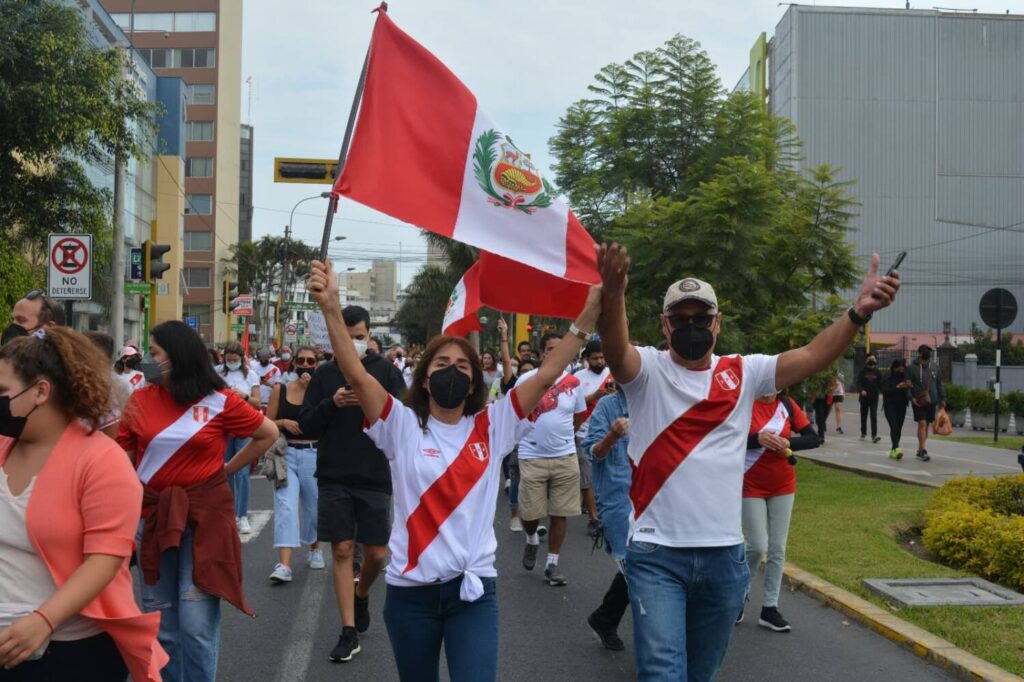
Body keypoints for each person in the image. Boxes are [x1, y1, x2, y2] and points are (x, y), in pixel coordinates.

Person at [595, 243, 900, 681]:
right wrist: (615, 291)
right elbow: (616, 346)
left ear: (717, 324)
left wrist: (858, 313)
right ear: (665, 326)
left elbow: (813, 355)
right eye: (681, 320)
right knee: (662, 673)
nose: (692, 327)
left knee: (701, 674)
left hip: (724, 558)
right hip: (657, 555)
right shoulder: (647, 371)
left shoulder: (744, 372)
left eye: (701, 319)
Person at [307, 258, 602, 682]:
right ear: (425, 379)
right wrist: (331, 306)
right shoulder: (400, 424)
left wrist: (588, 316)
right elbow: (354, 371)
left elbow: (551, 372)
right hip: (411, 596)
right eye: (441, 365)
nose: (452, 372)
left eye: (462, 367)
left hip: (475, 592)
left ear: (474, 381)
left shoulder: (495, 425)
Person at [0, 328, 167, 681]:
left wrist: (43, 621)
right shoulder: (4, 446)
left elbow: (106, 559)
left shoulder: (101, 460)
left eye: (3, 392)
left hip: (70, 651)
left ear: (41, 392)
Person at [117, 321, 278, 682]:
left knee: (195, 625)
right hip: (153, 519)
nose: (148, 361)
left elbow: (268, 432)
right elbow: (123, 459)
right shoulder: (139, 400)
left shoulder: (220, 401)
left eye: (155, 353)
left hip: (204, 521)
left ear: (177, 356)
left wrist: (226, 470)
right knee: (163, 626)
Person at [298, 305, 405, 663]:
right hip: (333, 475)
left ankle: (362, 593)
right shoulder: (326, 374)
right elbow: (307, 425)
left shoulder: (387, 371)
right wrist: (333, 403)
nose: (353, 343)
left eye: (358, 337)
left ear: (369, 335)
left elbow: (404, 418)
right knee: (342, 550)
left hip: (375, 474)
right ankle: (347, 631)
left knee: (376, 554)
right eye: (346, 337)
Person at [739, 391, 819, 632]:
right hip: (749, 484)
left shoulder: (787, 404)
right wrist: (757, 439)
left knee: (777, 548)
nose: (771, 387)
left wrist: (789, 443)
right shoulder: (744, 403)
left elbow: (813, 438)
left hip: (783, 485)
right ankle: (737, 597)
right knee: (757, 546)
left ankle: (769, 608)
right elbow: (724, 437)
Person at [516, 332, 589, 587]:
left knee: (560, 512)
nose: (556, 353)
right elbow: (514, 414)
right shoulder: (526, 380)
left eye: (561, 349)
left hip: (565, 456)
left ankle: (552, 564)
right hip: (531, 456)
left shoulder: (573, 383)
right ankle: (532, 539)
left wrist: (565, 437)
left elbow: (579, 416)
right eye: (550, 349)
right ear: (541, 354)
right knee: (530, 513)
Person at [266, 346, 324, 583]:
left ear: (316, 365)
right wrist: (282, 422)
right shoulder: (280, 389)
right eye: (301, 360)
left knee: (314, 507)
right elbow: (267, 422)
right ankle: (285, 565)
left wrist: (314, 390)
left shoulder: (321, 392)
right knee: (286, 507)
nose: (305, 364)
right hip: (286, 453)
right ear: (293, 363)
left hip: (314, 453)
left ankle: (315, 548)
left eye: (311, 360)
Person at [582, 385, 632, 652]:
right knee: (634, 566)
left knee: (644, 566)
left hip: (660, 499)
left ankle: (605, 617)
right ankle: (661, 650)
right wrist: (612, 437)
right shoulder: (608, 406)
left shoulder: (664, 402)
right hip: (621, 498)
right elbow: (594, 452)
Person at [218, 342, 262, 534]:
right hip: (223, 428)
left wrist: (243, 396)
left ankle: (242, 515)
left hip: (244, 427)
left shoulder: (251, 375)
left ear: (242, 359)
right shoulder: (217, 372)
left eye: (235, 360)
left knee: (242, 473)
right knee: (225, 471)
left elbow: (257, 402)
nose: (231, 363)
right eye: (229, 360)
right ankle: (227, 513)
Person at [572, 340, 613, 537]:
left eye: (602, 357)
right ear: (586, 359)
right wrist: (593, 396)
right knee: (587, 478)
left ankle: (608, 515)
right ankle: (594, 519)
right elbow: (573, 404)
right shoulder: (577, 378)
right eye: (595, 358)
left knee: (607, 476)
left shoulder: (613, 374)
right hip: (583, 435)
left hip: (609, 434)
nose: (600, 361)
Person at [906, 344, 944, 462]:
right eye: (927, 351)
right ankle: (923, 450)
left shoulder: (935, 367)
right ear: (920, 353)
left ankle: (920, 448)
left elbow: (939, 384)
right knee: (922, 423)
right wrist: (911, 398)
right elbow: (907, 385)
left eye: (930, 351)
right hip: (918, 400)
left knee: (926, 424)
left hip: (932, 400)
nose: (929, 353)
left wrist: (942, 398)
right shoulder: (912, 368)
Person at [882, 359, 913, 460]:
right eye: (901, 367)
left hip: (902, 405)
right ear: (895, 367)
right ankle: (897, 448)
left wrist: (909, 386)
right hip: (889, 405)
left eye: (904, 367)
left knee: (898, 428)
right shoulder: (887, 377)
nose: (903, 369)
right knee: (894, 426)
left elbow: (910, 389)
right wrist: (898, 387)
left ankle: (893, 449)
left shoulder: (905, 377)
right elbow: (885, 391)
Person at [857, 355, 883, 443]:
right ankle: (863, 433)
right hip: (864, 398)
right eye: (869, 359)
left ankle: (874, 435)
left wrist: (883, 392)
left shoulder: (878, 372)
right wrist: (861, 390)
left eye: (873, 359)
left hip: (874, 398)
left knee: (873, 416)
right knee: (863, 416)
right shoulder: (862, 371)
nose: (871, 361)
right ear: (866, 360)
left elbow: (881, 384)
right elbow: (858, 383)